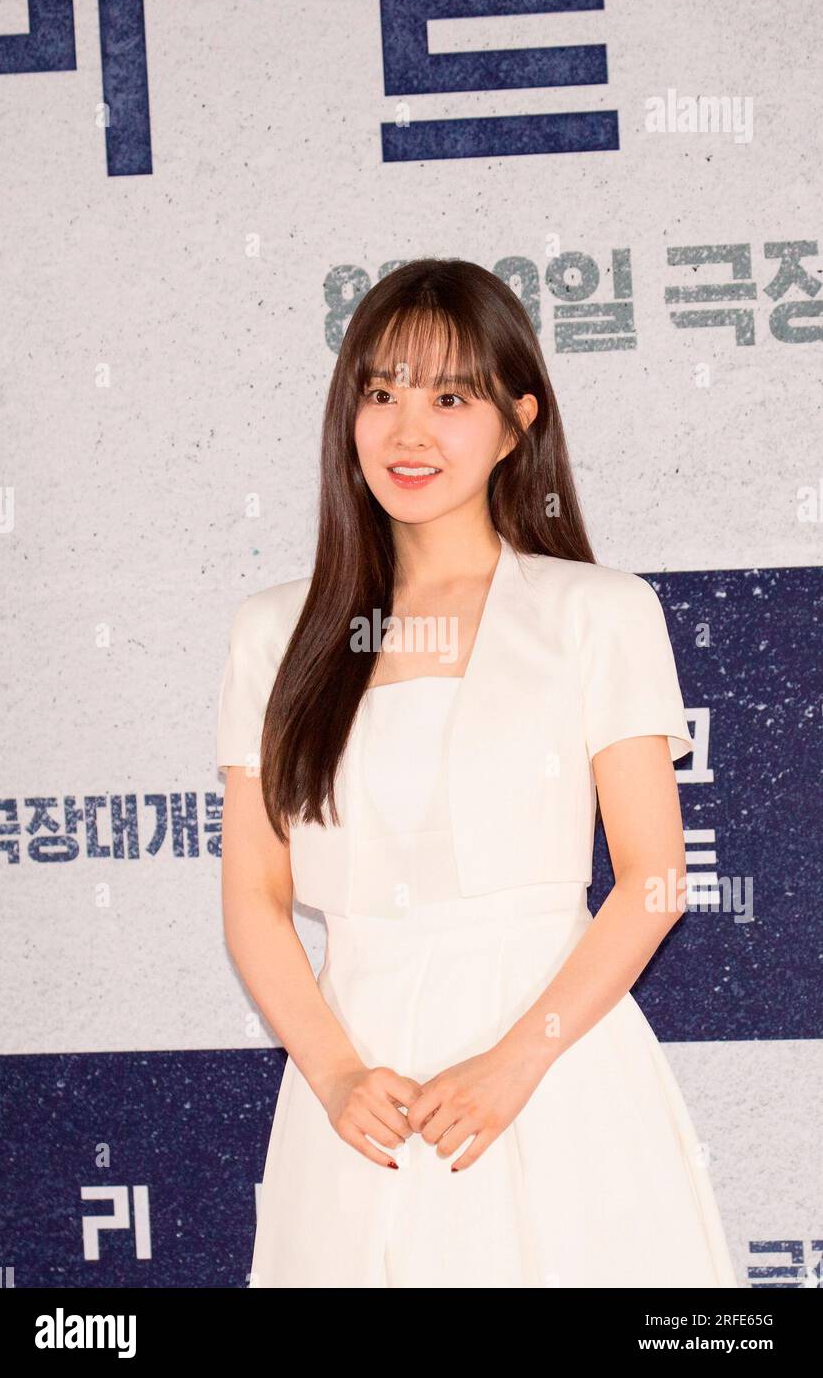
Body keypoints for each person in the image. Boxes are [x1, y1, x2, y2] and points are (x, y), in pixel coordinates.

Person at [217, 257, 738, 1289]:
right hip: (357, 1098)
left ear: (515, 424)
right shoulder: (275, 633)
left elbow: (653, 879)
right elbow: (254, 897)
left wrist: (516, 1060)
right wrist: (335, 1072)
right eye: (381, 393)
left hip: (557, 1069)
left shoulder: (597, 612)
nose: (408, 431)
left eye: (451, 399)